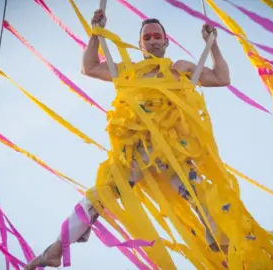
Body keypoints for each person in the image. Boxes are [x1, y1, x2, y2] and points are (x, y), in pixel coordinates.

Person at [24, 9, 230, 269]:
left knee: (202, 195)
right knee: (98, 197)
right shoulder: (128, 70)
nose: (154, 40)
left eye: (158, 36)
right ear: (140, 43)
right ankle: (55, 250)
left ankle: (225, 258)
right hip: (135, 152)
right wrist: (96, 34)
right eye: (148, 37)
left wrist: (213, 46)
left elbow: (222, 78)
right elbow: (89, 68)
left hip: (172, 153)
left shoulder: (182, 69)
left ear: (166, 42)